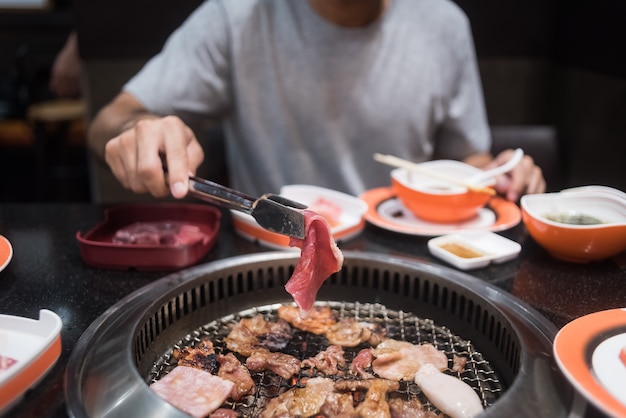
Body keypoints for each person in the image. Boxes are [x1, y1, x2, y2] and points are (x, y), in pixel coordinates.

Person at [88, 0, 545, 204]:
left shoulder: (443, 23)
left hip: (406, 253)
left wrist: (499, 174)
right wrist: (138, 133)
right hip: (274, 253)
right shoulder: (237, 16)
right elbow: (111, 118)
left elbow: (469, 158)